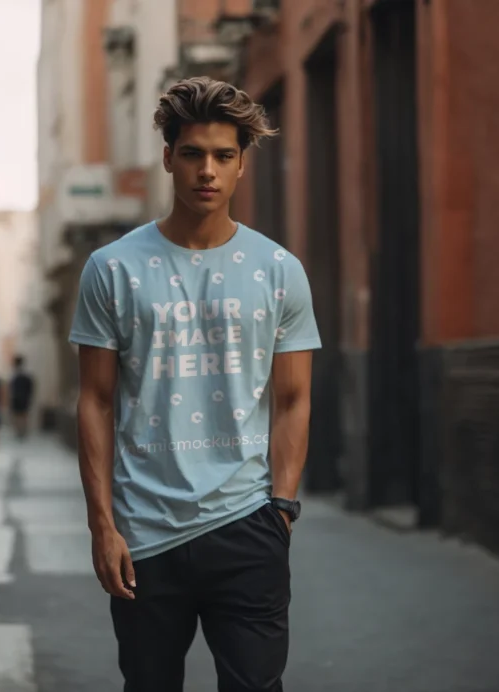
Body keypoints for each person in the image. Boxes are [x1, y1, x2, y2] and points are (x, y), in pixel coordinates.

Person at [69, 76, 321, 691]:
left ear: (241, 165)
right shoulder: (112, 269)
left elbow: (293, 399)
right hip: (143, 533)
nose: (206, 170)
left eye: (223, 156)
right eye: (192, 154)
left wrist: (281, 510)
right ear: (168, 158)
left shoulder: (279, 271)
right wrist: (103, 526)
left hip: (248, 524)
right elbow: (96, 401)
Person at [9, 355, 35, 439]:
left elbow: (12, 388)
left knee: (18, 416)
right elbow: (31, 388)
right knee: (24, 415)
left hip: (17, 398)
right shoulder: (26, 375)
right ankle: (23, 431)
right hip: (24, 398)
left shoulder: (15, 375)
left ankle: (19, 431)